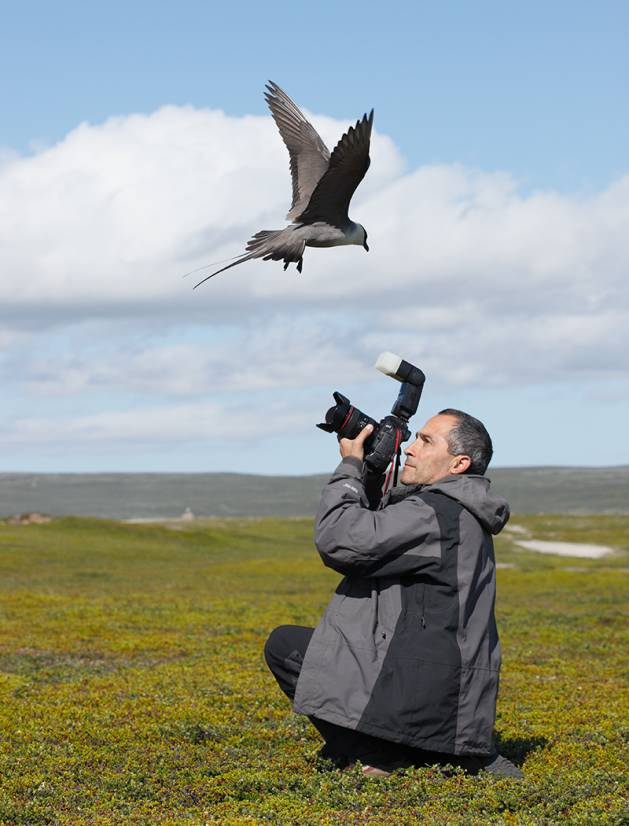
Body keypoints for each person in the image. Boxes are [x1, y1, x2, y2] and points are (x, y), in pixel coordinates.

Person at [264, 409, 523, 778]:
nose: (412, 449)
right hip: (446, 692)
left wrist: (351, 467)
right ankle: (441, 753)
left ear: (459, 463)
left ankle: (381, 755)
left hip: (424, 691)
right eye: (414, 438)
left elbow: (341, 541)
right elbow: (377, 528)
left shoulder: (437, 511)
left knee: (285, 646)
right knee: (310, 645)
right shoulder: (456, 512)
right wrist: (373, 471)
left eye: (426, 441)